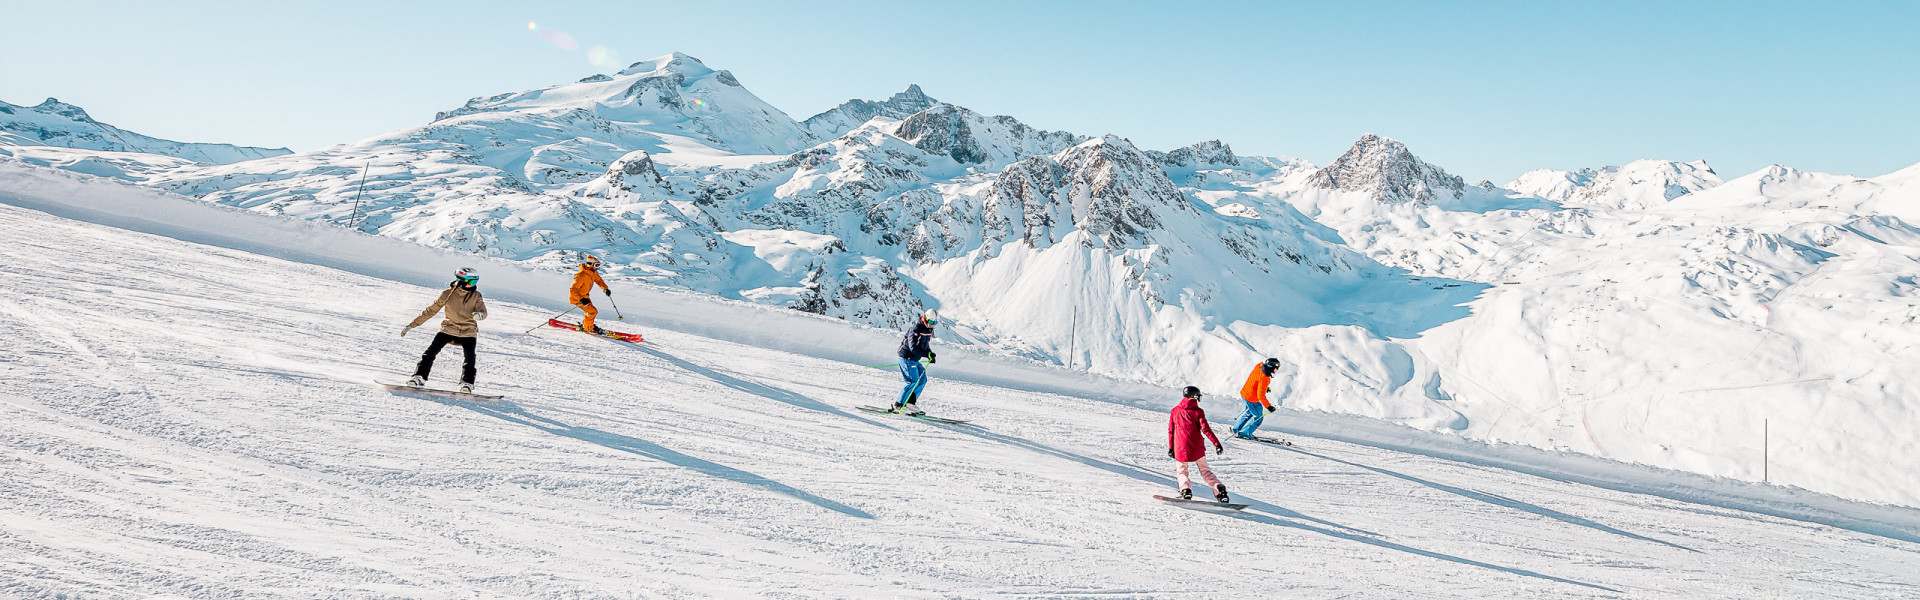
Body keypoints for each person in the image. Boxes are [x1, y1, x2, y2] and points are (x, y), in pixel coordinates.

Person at [403, 268, 489, 392]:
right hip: (448, 328)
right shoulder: (447, 294)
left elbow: (483, 311)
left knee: (470, 359)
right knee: (430, 353)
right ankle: (419, 377)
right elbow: (430, 311)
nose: (473, 286)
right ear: (461, 281)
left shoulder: (476, 295)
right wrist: (412, 325)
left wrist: (480, 315)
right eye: (471, 282)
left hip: (469, 331)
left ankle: (467, 384)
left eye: (475, 283)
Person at [1168, 386, 1229, 502]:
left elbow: (1171, 431)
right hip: (1197, 448)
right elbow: (1206, 429)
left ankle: (1185, 490)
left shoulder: (1175, 411)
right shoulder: (1198, 412)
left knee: (1182, 471)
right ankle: (1219, 489)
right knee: (1205, 471)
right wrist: (1217, 443)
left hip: (1180, 447)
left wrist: (1171, 447)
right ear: (1195, 397)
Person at [891, 309, 939, 415]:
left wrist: (930, 353)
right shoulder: (916, 329)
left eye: (935, 323)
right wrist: (926, 354)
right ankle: (898, 405)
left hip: (914, 359)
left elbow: (924, 345)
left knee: (922, 380)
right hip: (907, 357)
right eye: (931, 322)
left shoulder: (928, 329)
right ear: (926, 319)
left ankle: (910, 403)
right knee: (912, 381)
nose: (932, 325)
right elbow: (913, 348)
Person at [1232, 358, 1280, 439]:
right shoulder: (1265, 377)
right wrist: (1268, 406)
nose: (1276, 370)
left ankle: (1237, 429)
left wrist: (1264, 388)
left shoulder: (1259, 367)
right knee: (1258, 417)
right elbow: (1260, 396)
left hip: (1245, 393)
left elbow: (1256, 380)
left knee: (1249, 413)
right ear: (1271, 367)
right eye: (1276, 368)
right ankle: (1245, 433)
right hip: (1251, 398)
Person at [570, 255, 612, 334]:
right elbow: (573, 290)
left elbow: (599, 280)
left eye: (598, 265)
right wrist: (581, 299)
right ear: (590, 264)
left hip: (585, 297)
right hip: (577, 298)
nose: (597, 268)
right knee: (592, 311)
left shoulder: (592, 273)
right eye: (596, 265)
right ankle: (587, 328)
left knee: (590, 311)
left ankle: (588, 325)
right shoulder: (580, 275)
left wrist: (605, 288)